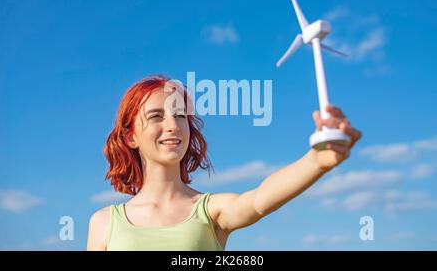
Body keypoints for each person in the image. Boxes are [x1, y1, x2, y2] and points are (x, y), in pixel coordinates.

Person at [87, 74, 362, 251]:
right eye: (157, 116)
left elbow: (258, 201)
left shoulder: (210, 211)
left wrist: (318, 160)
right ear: (130, 136)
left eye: (181, 116)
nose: (172, 125)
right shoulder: (103, 223)